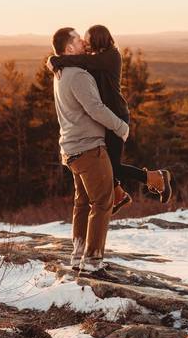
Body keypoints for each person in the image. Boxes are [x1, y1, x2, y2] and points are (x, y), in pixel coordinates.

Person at [48, 24, 173, 214]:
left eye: (87, 40)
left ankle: (155, 178)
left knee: (111, 165)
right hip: (104, 117)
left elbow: (82, 62)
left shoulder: (110, 57)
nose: (84, 43)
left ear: (97, 41)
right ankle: (119, 195)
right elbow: (81, 63)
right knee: (106, 163)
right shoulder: (95, 58)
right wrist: (57, 61)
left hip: (115, 115)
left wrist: (55, 60)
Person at [50, 27, 130, 274]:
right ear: (69, 48)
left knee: (82, 203)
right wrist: (120, 127)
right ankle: (93, 261)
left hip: (71, 147)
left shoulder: (61, 73)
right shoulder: (79, 76)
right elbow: (95, 108)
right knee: (103, 202)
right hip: (88, 148)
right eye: (77, 39)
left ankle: (78, 255)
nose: (83, 42)